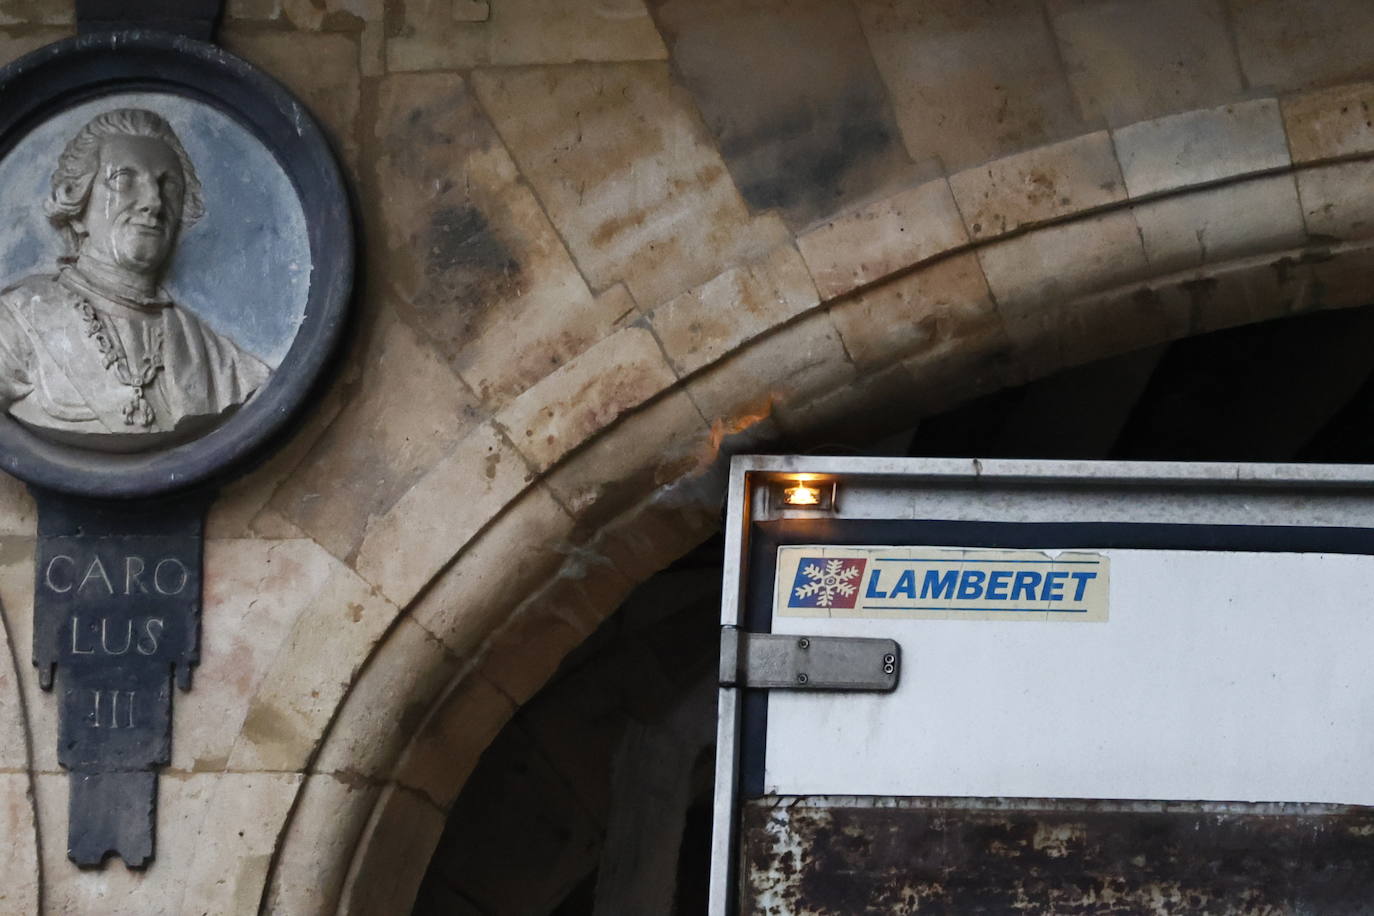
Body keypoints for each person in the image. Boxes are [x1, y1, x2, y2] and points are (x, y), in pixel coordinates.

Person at [0, 108, 270, 452]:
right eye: (124, 180)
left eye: (167, 185)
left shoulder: (219, 360)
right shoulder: (16, 322)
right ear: (77, 208)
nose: (153, 202)